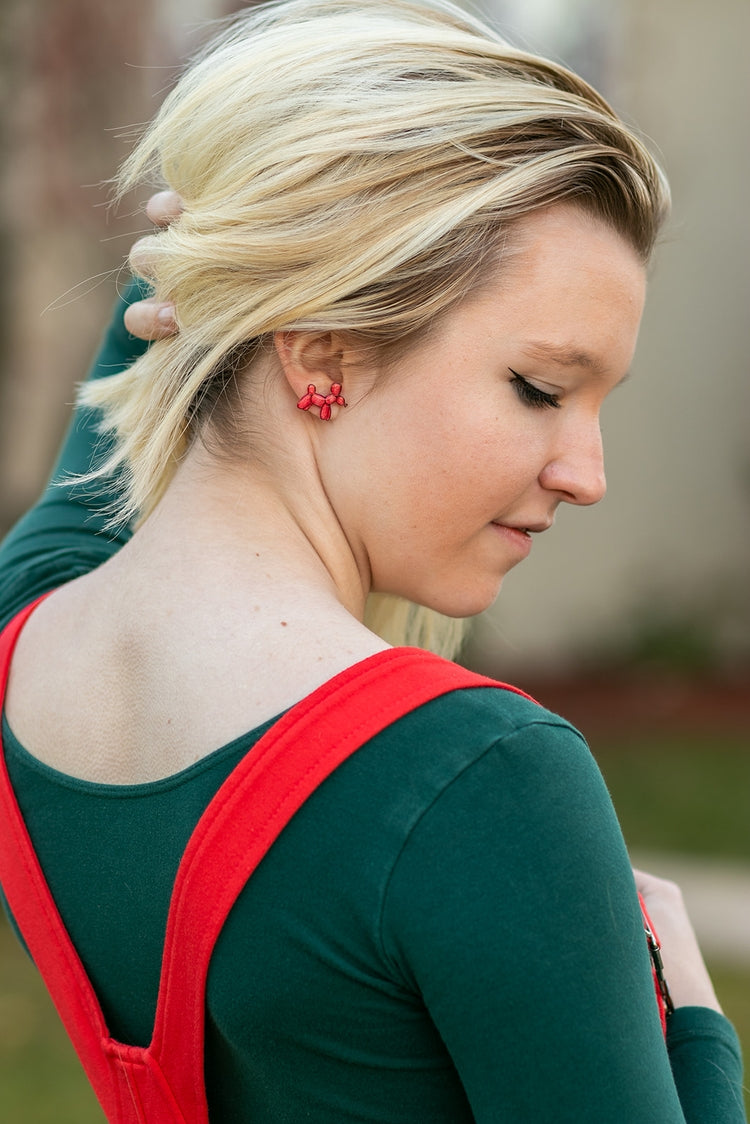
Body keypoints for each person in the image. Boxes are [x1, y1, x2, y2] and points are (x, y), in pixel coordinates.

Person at [0, 0, 745, 1120]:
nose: (586, 472)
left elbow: (154, 319)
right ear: (324, 353)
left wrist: (242, 239)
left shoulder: (26, 633)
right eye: (539, 388)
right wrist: (696, 1033)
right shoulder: (471, 779)